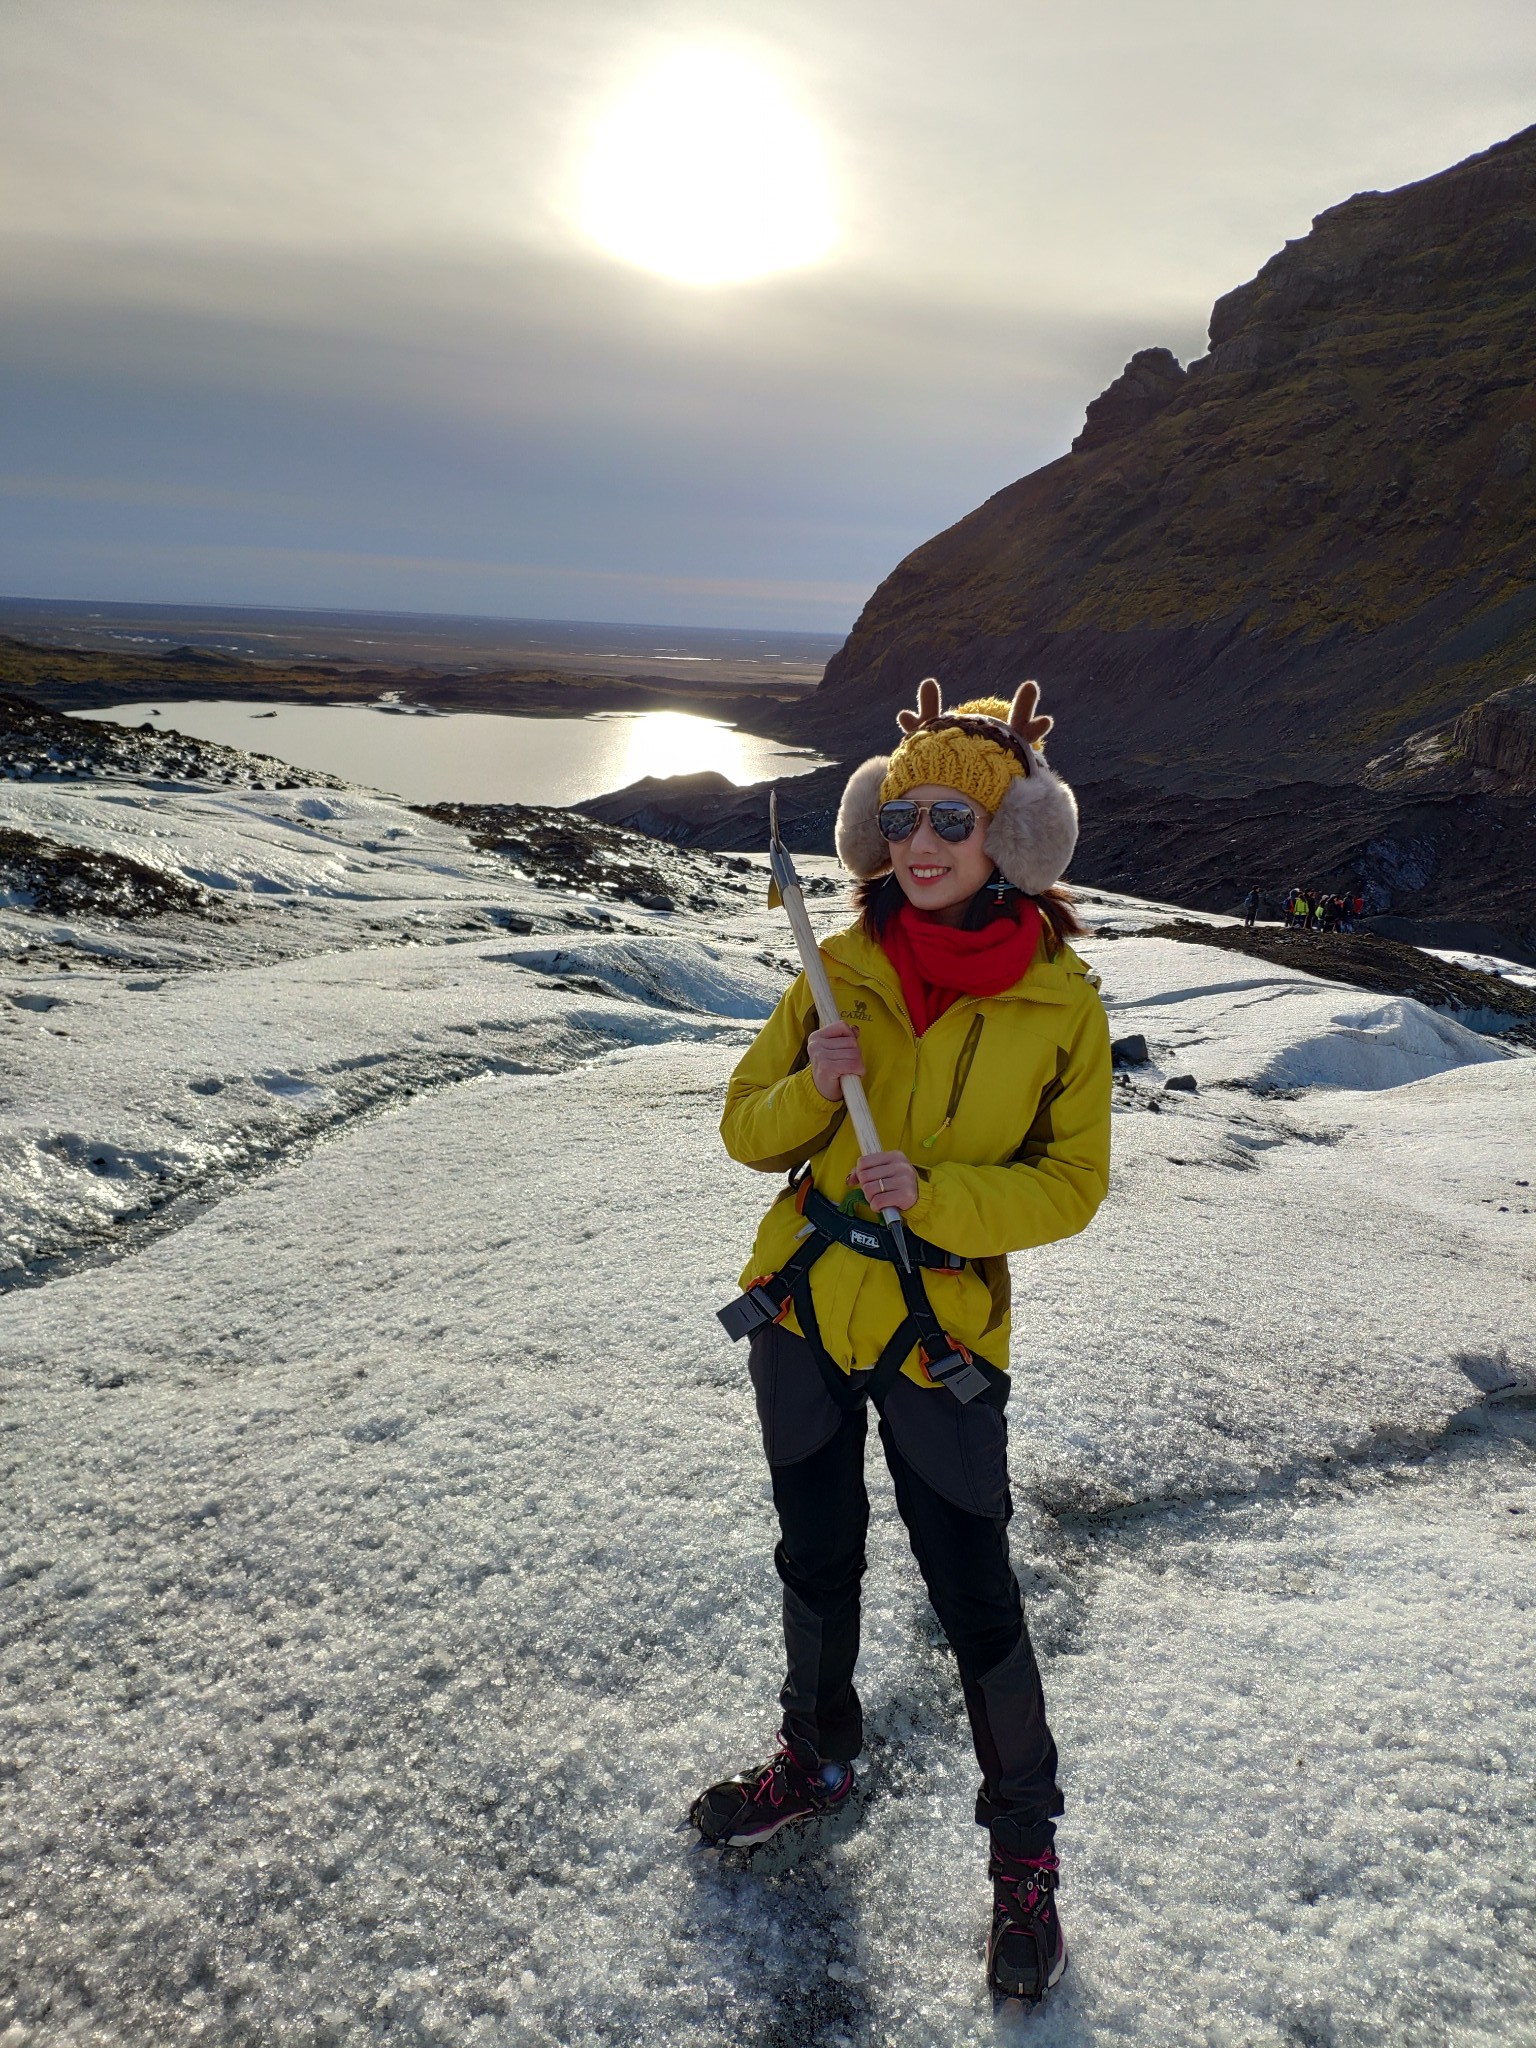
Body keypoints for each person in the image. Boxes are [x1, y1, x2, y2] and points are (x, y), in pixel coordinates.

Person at [699, 677, 1111, 2009]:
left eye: (958, 816)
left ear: (1019, 840)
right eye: (905, 813)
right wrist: (809, 1090)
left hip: (941, 1328)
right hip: (808, 1308)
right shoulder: (844, 967)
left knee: (976, 1596)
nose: (924, 840)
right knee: (814, 1556)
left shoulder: (1063, 1006)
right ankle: (816, 1758)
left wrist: (939, 1199)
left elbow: (1070, 1186)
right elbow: (744, 1127)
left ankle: (1024, 1866)